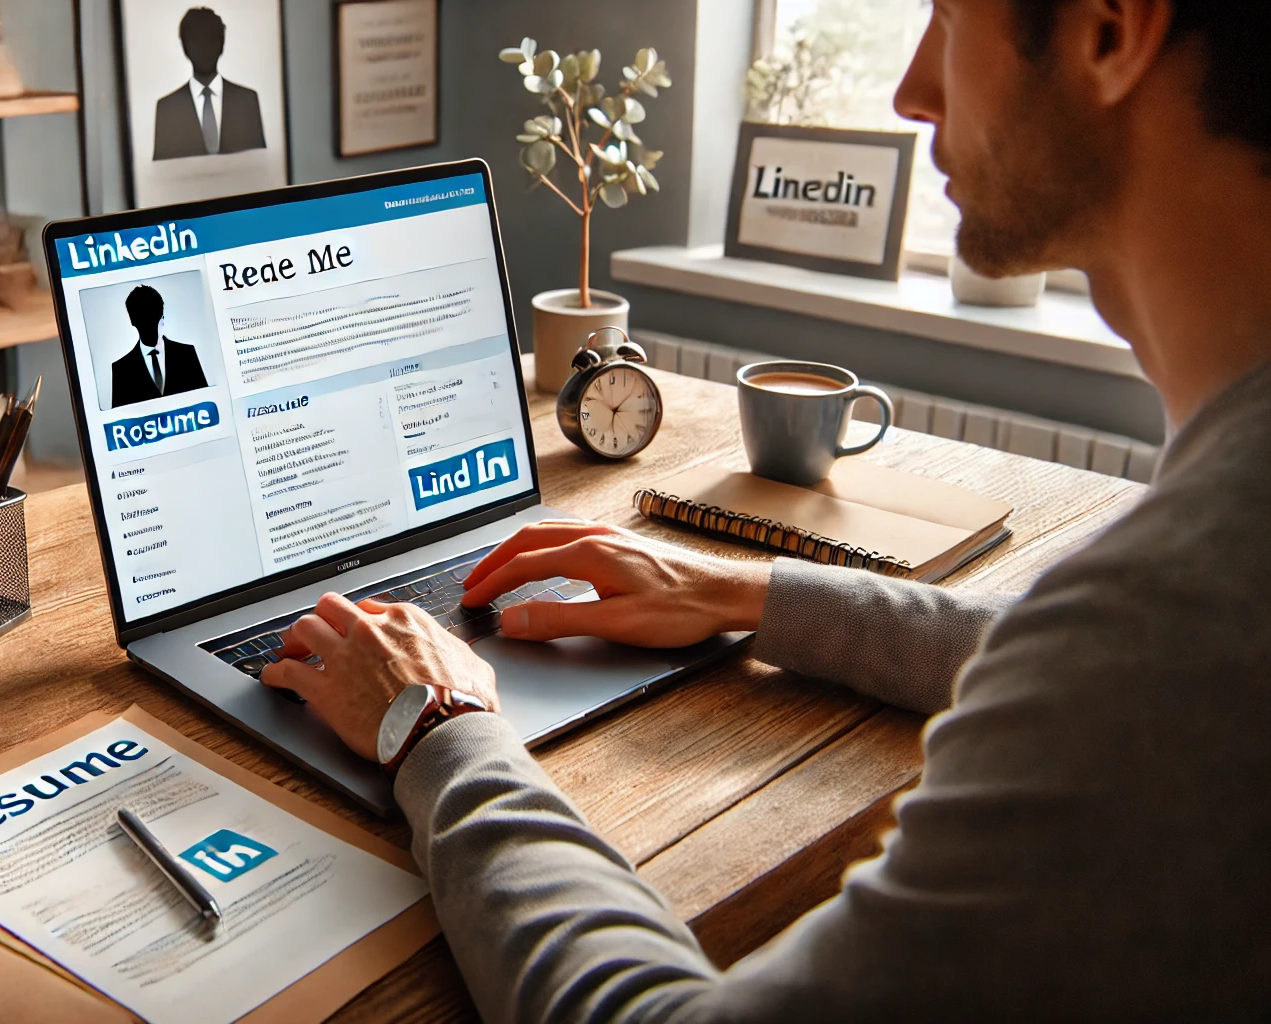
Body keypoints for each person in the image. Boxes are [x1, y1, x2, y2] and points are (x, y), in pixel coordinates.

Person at [262, 0, 1271, 1019]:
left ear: (1109, 30)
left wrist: (434, 725)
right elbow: (1065, 655)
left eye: (949, 19)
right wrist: (741, 590)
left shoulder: (1171, 628)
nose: (910, 88)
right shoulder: (1194, 592)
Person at [152, 6, 268, 160]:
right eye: (196, 40)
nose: (204, 48)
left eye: (210, 39)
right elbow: (162, 174)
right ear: (185, 48)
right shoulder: (167, 109)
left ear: (222, 45)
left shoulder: (247, 101)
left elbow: (261, 166)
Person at [110, 284, 209, 408]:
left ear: (161, 314)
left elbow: (206, 402)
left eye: (152, 314)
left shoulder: (187, 355)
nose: (149, 323)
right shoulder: (121, 370)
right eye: (142, 317)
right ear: (133, 320)